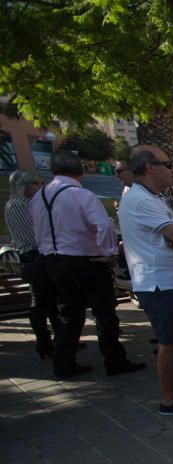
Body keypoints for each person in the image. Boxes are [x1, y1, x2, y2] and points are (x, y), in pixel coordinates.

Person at [31, 151, 145, 380]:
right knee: (104, 312)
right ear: (80, 171)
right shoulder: (80, 195)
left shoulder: (38, 197)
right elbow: (103, 226)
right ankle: (114, 359)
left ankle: (64, 363)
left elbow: (38, 230)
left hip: (54, 259)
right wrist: (108, 252)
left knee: (68, 313)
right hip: (85, 259)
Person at [118, 145, 173, 415]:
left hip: (170, 281)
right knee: (169, 344)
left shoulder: (152, 197)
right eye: (168, 164)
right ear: (149, 167)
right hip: (160, 285)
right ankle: (168, 399)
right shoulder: (141, 200)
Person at [6, 170, 58, 359]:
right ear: (24, 186)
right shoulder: (17, 205)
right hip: (33, 255)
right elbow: (33, 235)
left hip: (39, 253)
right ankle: (44, 342)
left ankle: (60, 339)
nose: (40, 187)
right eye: (35, 183)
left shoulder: (28, 204)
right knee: (40, 301)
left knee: (50, 299)